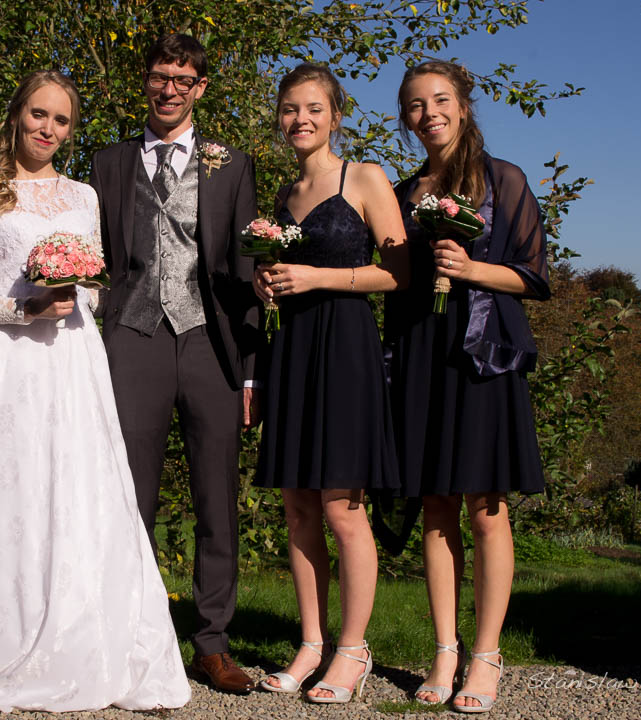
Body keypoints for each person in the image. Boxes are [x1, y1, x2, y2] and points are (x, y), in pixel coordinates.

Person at [0, 70, 191, 713]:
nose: (47, 129)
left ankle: (75, 631)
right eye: (38, 114)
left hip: (67, 365)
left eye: (60, 120)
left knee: (68, 490)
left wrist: (70, 287)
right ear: (17, 115)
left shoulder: (84, 196)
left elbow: (92, 286)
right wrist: (24, 306)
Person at [89, 33, 262, 694]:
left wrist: (249, 369)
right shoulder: (106, 162)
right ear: (145, 81)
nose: (168, 88)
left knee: (214, 496)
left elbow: (244, 271)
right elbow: (96, 254)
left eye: (181, 79)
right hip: (130, 336)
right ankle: (126, 633)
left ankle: (210, 642)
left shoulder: (232, 166)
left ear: (200, 89)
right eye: (159, 76)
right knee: (126, 496)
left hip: (207, 342)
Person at [387, 60, 549, 713]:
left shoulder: (503, 180)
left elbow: (535, 277)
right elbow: (394, 280)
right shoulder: (401, 193)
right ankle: (444, 649)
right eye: (415, 105)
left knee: (484, 506)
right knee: (434, 504)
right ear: (405, 118)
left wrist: (472, 267)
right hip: (424, 351)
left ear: (462, 104)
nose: (429, 113)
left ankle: (485, 654)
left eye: (439, 100)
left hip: (483, 351)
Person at [251, 63, 406, 703]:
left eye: (313, 108)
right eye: (289, 109)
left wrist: (317, 279)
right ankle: (311, 642)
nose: (300, 120)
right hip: (290, 351)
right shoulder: (283, 196)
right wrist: (268, 286)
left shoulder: (363, 178)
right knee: (298, 507)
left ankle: (353, 650)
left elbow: (398, 271)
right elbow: (276, 280)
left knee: (343, 509)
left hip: (344, 349)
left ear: (335, 115)